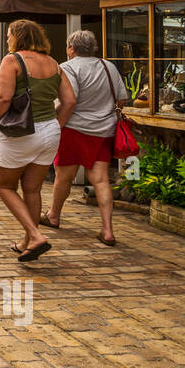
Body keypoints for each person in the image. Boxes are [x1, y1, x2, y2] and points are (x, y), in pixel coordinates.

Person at [0, 19, 77, 263]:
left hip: (20, 131)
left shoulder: (12, 60)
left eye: (8, 35)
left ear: (18, 36)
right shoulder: (54, 64)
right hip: (50, 131)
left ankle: (36, 235)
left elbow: (4, 98)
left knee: (3, 185)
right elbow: (69, 101)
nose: (7, 40)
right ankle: (27, 241)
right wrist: (54, 125)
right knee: (32, 188)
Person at [41, 29, 128, 246]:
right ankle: (107, 230)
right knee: (101, 180)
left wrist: (56, 126)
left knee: (64, 177)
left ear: (71, 48)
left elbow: (69, 100)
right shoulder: (109, 66)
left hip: (73, 130)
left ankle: (53, 215)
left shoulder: (68, 68)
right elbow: (122, 99)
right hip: (103, 131)